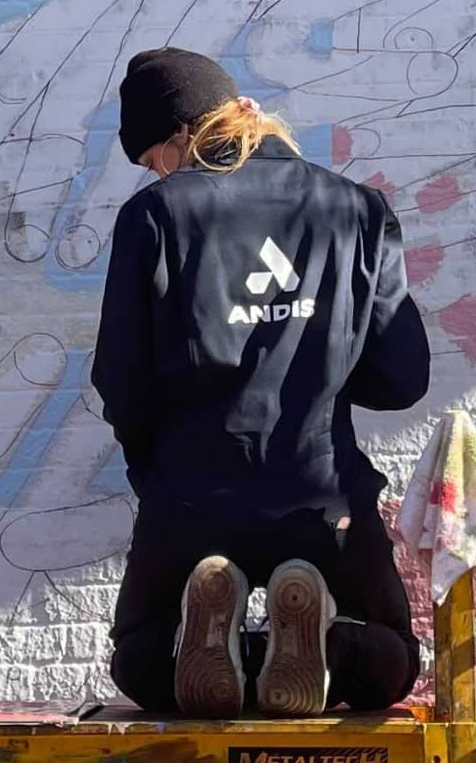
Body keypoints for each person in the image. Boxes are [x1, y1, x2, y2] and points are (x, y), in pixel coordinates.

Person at [92, 48, 430, 717]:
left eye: (152, 157)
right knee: (392, 658)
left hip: (193, 497)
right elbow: (402, 376)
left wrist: (155, 480)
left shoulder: (155, 216)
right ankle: (318, 647)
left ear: (181, 136)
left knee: (139, 654)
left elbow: (121, 382)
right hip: (323, 499)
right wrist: (320, 349)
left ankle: (213, 639)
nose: (155, 174)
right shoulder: (356, 210)